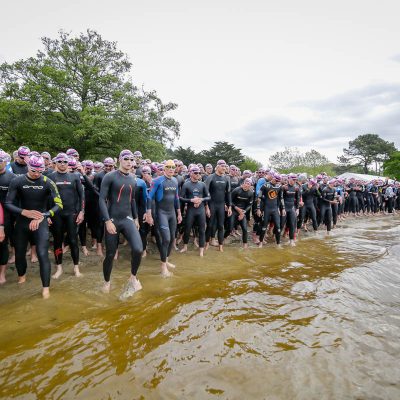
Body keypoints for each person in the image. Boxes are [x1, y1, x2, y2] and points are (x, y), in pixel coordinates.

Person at [5, 155, 63, 298]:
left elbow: (59, 205)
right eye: (33, 171)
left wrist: (44, 215)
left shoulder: (48, 182)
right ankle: (21, 278)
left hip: (40, 221)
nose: (37, 174)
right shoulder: (17, 181)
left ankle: (46, 289)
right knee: (19, 253)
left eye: (39, 171)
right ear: (28, 168)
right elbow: (8, 204)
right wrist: (24, 212)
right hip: (22, 222)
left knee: (43, 254)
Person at [99, 150, 143, 295]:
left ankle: (133, 277)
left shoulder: (133, 178)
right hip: (113, 219)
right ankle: (107, 282)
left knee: (138, 249)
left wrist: (136, 218)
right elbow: (102, 199)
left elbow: (133, 200)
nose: (129, 162)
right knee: (110, 254)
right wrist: (107, 221)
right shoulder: (110, 176)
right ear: (119, 160)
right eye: (126, 159)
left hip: (127, 218)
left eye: (131, 159)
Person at [48, 153, 85, 279]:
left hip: (71, 213)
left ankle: (76, 268)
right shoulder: (50, 176)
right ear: (56, 163)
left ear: (68, 163)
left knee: (74, 241)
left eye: (65, 162)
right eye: (60, 162)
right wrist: (47, 214)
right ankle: (59, 268)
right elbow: (45, 197)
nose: (62, 164)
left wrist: (82, 211)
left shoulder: (74, 176)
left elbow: (81, 195)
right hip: (56, 214)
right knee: (57, 241)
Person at [146, 159, 182, 276]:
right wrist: (149, 214)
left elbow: (176, 198)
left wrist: (179, 213)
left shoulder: (175, 181)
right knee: (165, 239)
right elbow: (150, 197)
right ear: (164, 168)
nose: (171, 169)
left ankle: (166, 260)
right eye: (169, 167)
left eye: (173, 167)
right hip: (161, 213)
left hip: (172, 213)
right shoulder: (157, 181)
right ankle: (163, 266)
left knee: (172, 239)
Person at [179, 165, 211, 256]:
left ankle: (201, 250)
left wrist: (201, 200)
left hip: (200, 210)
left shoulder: (202, 184)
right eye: (196, 173)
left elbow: (209, 197)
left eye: (199, 173)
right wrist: (191, 200)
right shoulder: (186, 184)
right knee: (187, 228)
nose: (198, 174)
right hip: (191, 210)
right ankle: (185, 246)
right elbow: (180, 198)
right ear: (191, 173)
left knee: (201, 230)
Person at [205, 160, 232, 252]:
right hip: (212, 204)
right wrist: (207, 207)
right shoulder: (211, 177)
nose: (224, 168)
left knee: (221, 226)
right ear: (217, 167)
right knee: (210, 225)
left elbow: (228, 193)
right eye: (222, 166)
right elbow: (206, 192)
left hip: (221, 205)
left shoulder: (226, 178)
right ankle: (207, 244)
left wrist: (230, 206)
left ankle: (220, 246)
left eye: (225, 166)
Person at [0, 151, 16, 284]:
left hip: (6, 216)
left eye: (0, 160)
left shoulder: (12, 178)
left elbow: (18, 200)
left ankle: (2, 274)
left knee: (3, 244)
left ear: (5, 161)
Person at [229, 178, 254, 248]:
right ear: (243, 184)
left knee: (245, 229)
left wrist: (244, 212)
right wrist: (236, 208)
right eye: (245, 183)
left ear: (250, 186)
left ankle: (245, 244)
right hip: (234, 209)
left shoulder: (250, 193)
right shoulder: (237, 190)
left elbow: (250, 205)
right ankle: (224, 238)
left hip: (243, 211)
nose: (246, 185)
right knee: (230, 228)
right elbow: (230, 200)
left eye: (248, 184)